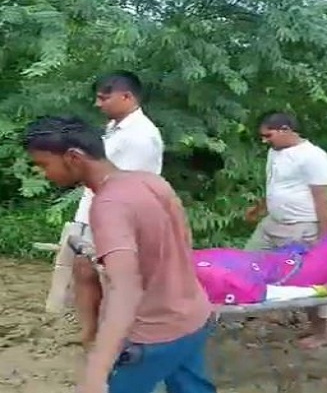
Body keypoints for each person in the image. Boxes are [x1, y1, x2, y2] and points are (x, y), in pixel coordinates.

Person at [23, 116, 215, 393]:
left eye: (44, 164)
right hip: (194, 317)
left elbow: (125, 291)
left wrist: (96, 372)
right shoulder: (150, 182)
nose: (43, 173)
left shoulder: (109, 205)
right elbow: (182, 243)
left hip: (154, 335)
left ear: (73, 157)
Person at [70, 71, 164, 351]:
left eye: (104, 97)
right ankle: (89, 333)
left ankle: (120, 341)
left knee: (114, 281)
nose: (99, 104)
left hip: (116, 217)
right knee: (83, 270)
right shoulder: (114, 126)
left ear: (127, 96)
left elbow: (125, 185)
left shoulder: (141, 136)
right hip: (91, 210)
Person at [244, 111, 327, 348]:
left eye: (268, 135)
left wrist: (326, 240)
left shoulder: (314, 157)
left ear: (285, 129)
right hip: (273, 223)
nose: (265, 140)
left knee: (308, 279)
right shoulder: (275, 152)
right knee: (246, 263)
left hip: (301, 227)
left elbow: (322, 200)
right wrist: (259, 209)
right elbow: (276, 187)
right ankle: (259, 307)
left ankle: (323, 332)